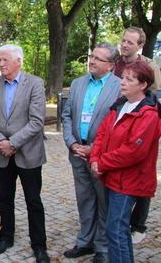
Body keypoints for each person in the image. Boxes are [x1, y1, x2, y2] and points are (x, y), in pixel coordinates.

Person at [0, 44, 50, 263]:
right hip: (2, 154)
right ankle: (6, 236)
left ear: (19, 61)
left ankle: (39, 245)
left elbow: (37, 121)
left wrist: (13, 143)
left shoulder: (35, 84)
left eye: (5, 60)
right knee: (5, 199)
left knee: (33, 200)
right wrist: (1, 141)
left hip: (28, 153)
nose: (0, 64)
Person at [90, 60, 160, 263]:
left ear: (143, 85)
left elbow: (133, 151)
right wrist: (95, 157)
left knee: (116, 230)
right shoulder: (120, 105)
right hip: (113, 178)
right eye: (123, 78)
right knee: (118, 229)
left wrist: (101, 163)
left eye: (129, 79)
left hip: (129, 182)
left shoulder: (149, 114)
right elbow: (102, 133)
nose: (123, 82)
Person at [61, 43, 121, 263]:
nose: (92, 61)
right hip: (77, 152)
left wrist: (94, 148)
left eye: (98, 59)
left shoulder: (120, 86)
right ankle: (84, 242)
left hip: (101, 156)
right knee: (84, 199)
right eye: (91, 56)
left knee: (103, 201)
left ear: (111, 66)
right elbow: (66, 116)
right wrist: (71, 143)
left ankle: (102, 247)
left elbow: (118, 125)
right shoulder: (77, 84)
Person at [113, 26, 160, 244]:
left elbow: (156, 98)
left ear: (139, 46)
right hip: (117, 121)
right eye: (123, 40)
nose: (124, 45)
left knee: (141, 175)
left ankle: (138, 224)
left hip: (141, 125)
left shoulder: (149, 66)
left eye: (130, 42)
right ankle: (115, 218)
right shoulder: (115, 63)